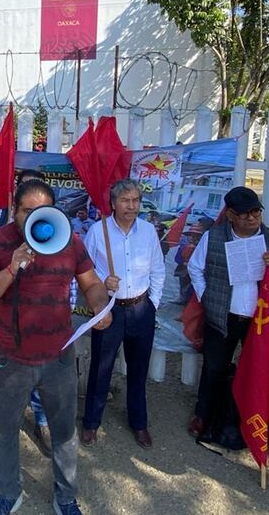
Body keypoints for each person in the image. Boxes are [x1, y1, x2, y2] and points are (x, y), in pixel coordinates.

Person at [0, 179, 111, 515]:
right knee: (5, 429)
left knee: (63, 432)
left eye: (42, 211)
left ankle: (65, 498)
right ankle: (9, 492)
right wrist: (12, 268)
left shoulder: (68, 240)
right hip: (10, 358)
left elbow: (91, 284)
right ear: (14, 211)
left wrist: (100, 305)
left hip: (59, 357)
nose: (35, 218)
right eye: (27, 212)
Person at [187, 186, 269, 449]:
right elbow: (195, 268)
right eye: (245, 214)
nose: (252, 218)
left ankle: (262, 422)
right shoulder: (213, 237)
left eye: (256, 212)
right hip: (222, 316)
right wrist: (207, 297)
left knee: (258, 370)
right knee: (214, 368)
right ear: (230, 215)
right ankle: (204, 415)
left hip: (258, 321)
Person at [0, 169, 54, 459]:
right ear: (16, 201)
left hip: (43, 331)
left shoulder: (56, 231)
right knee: (4, 383)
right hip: (8, 328)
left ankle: (42, 423)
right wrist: (6, 260)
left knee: (42, 382)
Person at [80, 179, 165, 449]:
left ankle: (139, 424)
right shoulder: (98, 231)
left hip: (141, 308)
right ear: (113, 203)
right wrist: (104, 280)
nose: (131, 206)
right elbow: (84, 270)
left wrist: (153, 304)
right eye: (125, 200)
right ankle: (91, 422)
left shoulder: (149, 232)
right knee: (100, 368)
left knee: (138, 370)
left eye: (136, 200)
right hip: (109, 308)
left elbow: (158, 269)